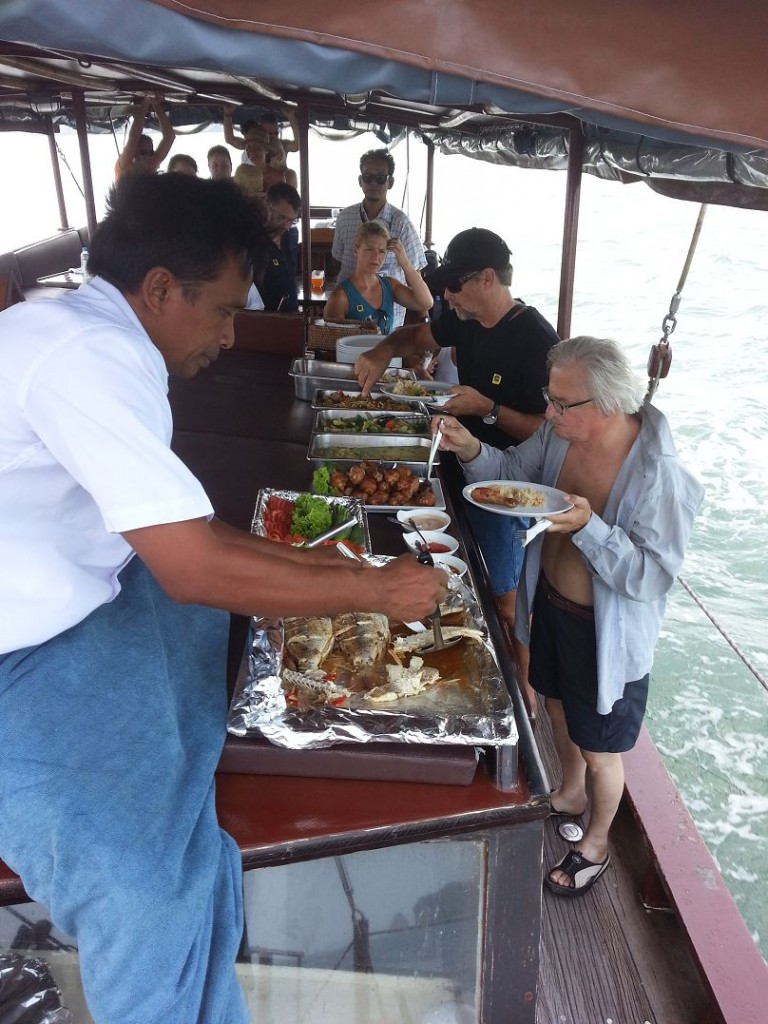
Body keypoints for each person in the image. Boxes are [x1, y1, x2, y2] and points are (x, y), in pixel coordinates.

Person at [0, 173, 447, 1024]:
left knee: (187, 829)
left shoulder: (91, 335)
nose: (233, 334)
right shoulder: (84, 358)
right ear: (160, 289)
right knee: (139, 885)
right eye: (223, 311)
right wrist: (371, 588)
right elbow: (193, 565)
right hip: (16, 654)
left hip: (70, 597)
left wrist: (329, 572)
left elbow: (191, 532)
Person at [436, 335, 704, 895]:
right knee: (555, 705)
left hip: (604, 634)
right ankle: (570, 792)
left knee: (602, 749)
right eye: (549, 398)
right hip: (550, 604)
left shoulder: (661, 476)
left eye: (561, 403)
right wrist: (469, 448)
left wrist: (589, 528)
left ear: (605, 403)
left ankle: (597, 844)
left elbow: (651, 577)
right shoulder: (559, 436)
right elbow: (510, 472)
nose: (549, 412)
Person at [355, 228, 558, 719]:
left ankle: (526, 697)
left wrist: (489, 408)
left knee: (507, 600)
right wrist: (381, 350)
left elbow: (551, 433)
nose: (446, 296)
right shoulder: (465, 319)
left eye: (454, 286)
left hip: (504, 489)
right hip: (456, 464)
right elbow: (414, 335)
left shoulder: (537, 340)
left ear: (487, 278)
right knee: (453, 576)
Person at [332, 148, 426, 329]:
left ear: (390, 182)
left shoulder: (402, 223)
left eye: (380, 178)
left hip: (388, 318)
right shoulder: (344, 218)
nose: (373, 183)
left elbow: (415, 273)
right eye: (367, 177)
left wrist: (424, 318)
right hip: (347, 311)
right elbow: (336, 261)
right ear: (360, 181)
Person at [323, 220, 433, 333]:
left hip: (389, 345)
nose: (376, 257)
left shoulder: (390, 285)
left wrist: (405, 263)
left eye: (381, 251)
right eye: (369, 249)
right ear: (356, 250)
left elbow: (426, 303)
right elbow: (331, 340)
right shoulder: (341, 297)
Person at [259, 181, 302, 312]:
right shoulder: (251, 243)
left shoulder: (287, 238)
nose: (286, 227)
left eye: (291, 220)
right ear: (267, 208)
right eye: (281, 218)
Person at [114, 95, 175, 180]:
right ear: (134, 153)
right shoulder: (124, 167)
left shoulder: (150, 164)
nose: (148, 156)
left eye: (151, 153)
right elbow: (134, 137)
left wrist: (154, 104)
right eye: (143, 152)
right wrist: (148, 102)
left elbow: (169, 137)